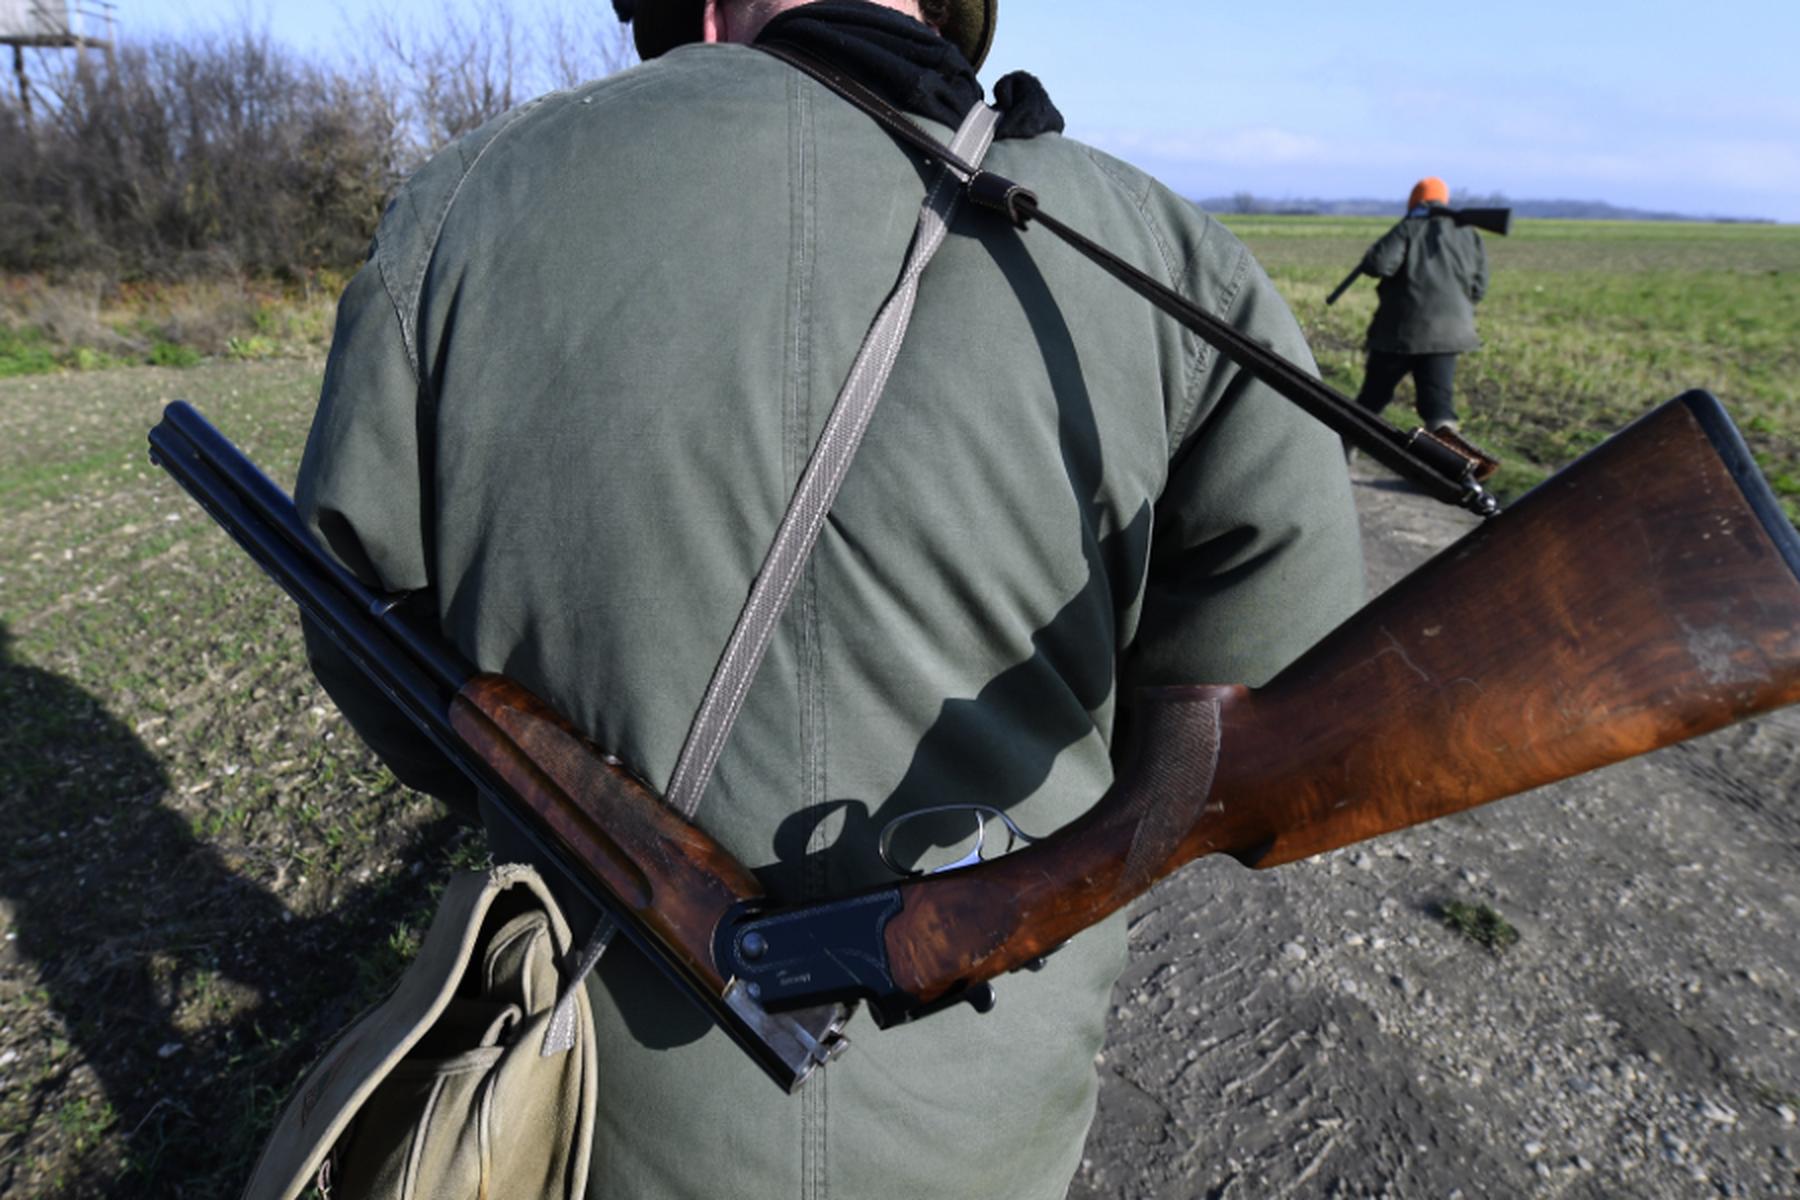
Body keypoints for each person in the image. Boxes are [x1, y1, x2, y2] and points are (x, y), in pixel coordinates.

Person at [292, 1, 1364, 1196]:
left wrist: (573, 790)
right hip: (987, 1113)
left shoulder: (470, 201)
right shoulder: (1170, 259)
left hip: (595, 1105)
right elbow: (1273, 693)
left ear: (695, 12)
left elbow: (380, 661)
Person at [1352, 175, 1489, 433]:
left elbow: (1378, 265)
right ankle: (1445, 456)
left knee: (1372, 399)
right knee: (1438, 406)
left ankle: (1344, 449)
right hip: (1448, 334)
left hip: (1399, 333)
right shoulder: (1469, 233)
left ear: (1414, 201)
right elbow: (1479, 287)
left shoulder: (1409, 227)